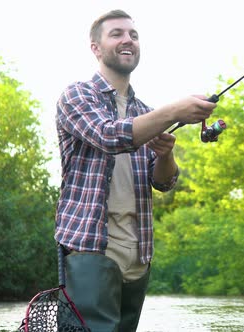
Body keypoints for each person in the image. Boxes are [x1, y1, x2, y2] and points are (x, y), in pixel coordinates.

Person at [54, 9, 217, 332]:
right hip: (91, 243)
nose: (127, 39)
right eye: (116, 34)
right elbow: (108, 135)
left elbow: (164, 181)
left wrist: (166, 154)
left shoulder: (146, 113)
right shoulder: (77, 95)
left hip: (139, 248)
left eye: (133, 35)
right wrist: (174, 110)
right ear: (96, 48)